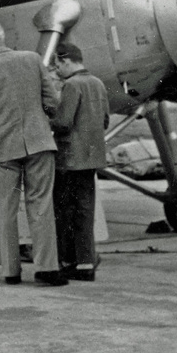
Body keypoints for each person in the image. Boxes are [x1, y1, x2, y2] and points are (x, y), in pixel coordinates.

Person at [0, 20, 66, 286]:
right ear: (2, 38)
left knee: (5, 209)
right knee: (41, 205)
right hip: (38, 142)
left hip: (3, 147)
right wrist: (41, 120)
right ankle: (47, 268)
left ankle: (11, 271)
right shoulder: (32, 59)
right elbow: (53, 101)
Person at [51, 42, 109, 282]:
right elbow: (105, 120)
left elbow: (63, 122)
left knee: (65, 213)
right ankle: (86, 263)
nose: (57, 71)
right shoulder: (98, 83)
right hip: (91, 157)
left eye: (58, 65)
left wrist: (46, 120)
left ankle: (69, 261)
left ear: (66, 61)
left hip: (69, 160)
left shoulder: (72, 85)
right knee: (85, 211)